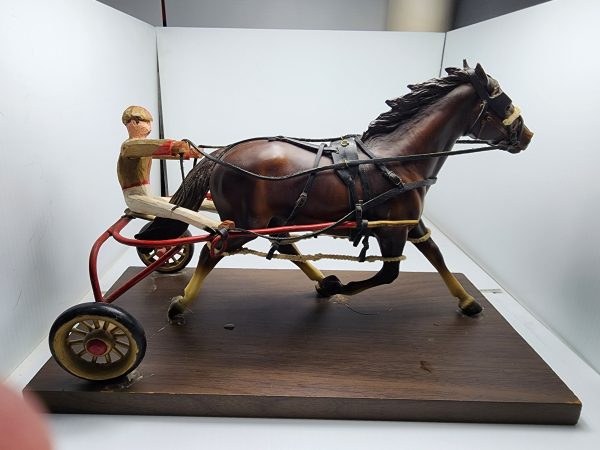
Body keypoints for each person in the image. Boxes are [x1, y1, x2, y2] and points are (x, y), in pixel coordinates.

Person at [118, 106, 222, 233]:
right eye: (146, 122)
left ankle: (234, 211)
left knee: (197, 201)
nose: (149, 127)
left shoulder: (143, 148)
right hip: (135, 198)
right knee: (178, 210)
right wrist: (173, 145)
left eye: (150, 123)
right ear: (134, 122)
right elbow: (152, 147)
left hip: (147, 196)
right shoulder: (129, 146)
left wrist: (190, 152)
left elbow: (160, 152)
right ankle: (219, 228)